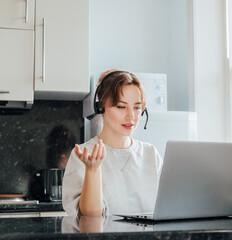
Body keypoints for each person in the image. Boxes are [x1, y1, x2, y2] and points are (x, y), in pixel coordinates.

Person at [62, 69, 163, 217]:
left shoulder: (151, 153)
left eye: (137, 107)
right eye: (121, 107)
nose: (131, 116)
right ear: (101, 107)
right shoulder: (83, 155)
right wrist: (92, 170)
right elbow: (90, 217)